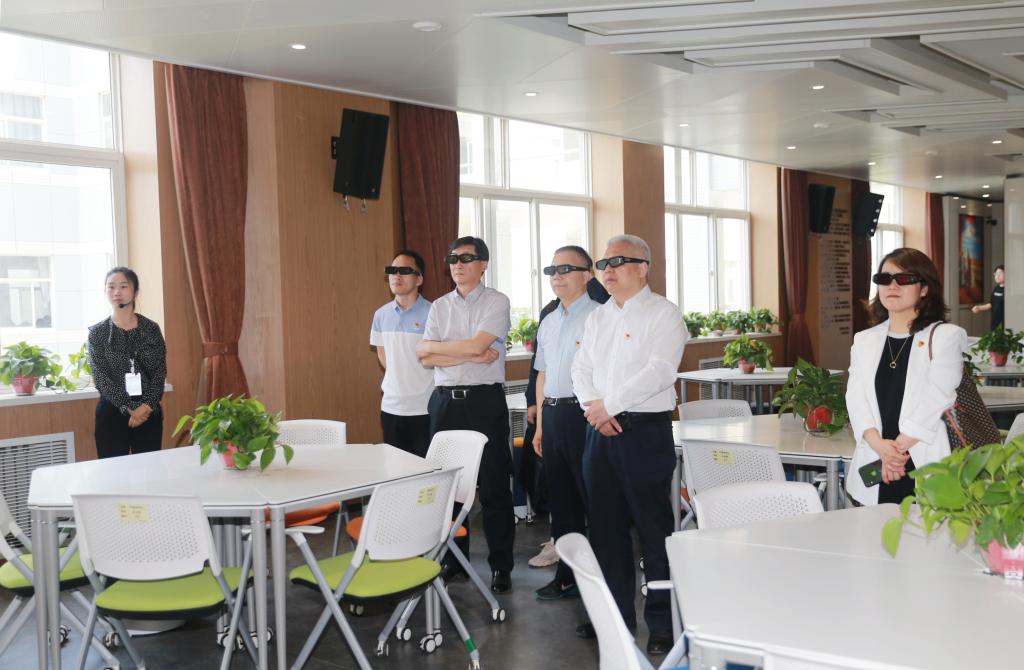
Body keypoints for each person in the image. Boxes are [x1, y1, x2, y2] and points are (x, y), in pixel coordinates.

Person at [571, 234, 687, 655]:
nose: (608, 269)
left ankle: (662, 624)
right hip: (598, 434)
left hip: (644, 433)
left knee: (654, 532)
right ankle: (616, 619)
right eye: (604, 263)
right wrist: (595, 410)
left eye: (618, 261)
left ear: (643, 267)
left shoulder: (664, 314)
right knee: (605, 532)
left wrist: (610, 407)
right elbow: (580, 368)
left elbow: (660, 372)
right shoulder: (597, 317)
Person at [417, 236, 515, 593]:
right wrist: (471, 354)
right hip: (444, 403)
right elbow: (423, 356)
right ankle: (454, 562)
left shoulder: (496, 301)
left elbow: (471, 345)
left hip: (483, 403)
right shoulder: (439, 306)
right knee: (447, 488)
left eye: (466, 258)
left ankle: (501, 565)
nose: (457, 264)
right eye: (452, 258)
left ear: (483, 265)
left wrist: (448, 350)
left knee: (493, 487)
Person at [846, 248, 966, 506]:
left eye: (904, 279)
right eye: (885, 279)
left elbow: (938, 396)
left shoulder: (945, 336)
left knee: (924, 529)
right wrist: (879, 446)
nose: (892, 286)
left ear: (924, 289)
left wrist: (895, 452)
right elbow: (855, 398)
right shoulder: (864, 340)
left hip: (922, 457)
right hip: (876, 457)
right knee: (871, 529)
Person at [531, 246, 602, 602]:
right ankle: (567, 576)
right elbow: (542, 375)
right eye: (552, 270)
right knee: (561, 502)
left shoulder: (600, 316)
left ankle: (601, 579)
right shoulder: (549, 321)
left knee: (593, 499)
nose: (556, 276)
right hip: (554, 415)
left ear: (587, 274)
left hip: (585, 415)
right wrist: (541, 426)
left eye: (565, 269)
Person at [88, 267, 166, 459]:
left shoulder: (151, 329)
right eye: (111, 287)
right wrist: (130, 408)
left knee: (149, 469)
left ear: (135, 291)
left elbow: (159, 372)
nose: (117, 292)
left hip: (148, 411)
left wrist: (145, 407)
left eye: (123, 286)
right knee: (113, 472)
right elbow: (101, 378)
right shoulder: (98, 333)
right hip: (112, 411)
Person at [369, 250, 434, 458]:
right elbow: (383, 356)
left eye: (404, 271)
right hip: (391, 407)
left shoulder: (434, 313)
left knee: (426, 469)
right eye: (392, 270)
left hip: (424, 407)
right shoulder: (380, 315)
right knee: (396, 469)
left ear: (419, 279)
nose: (396, 276)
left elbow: (437, 358)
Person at [971, 264, 1005, 330]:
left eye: (1000, 274)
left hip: (1005, 322)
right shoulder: (996, 288)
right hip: (995, 321)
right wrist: (979, 308)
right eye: (996, 274)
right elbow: (992, 304)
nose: (997, 276)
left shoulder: (1010, 290)